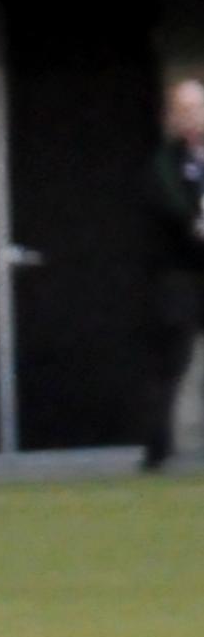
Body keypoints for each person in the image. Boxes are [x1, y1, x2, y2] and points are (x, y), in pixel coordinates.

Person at [140, 78, 204, 471]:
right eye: (184, 110)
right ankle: (156, 450)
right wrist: (195, 224)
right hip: (180, 274)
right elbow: (171, 204)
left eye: (197, 108)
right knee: (170, 362)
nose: (192, 117)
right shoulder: (165, 162)